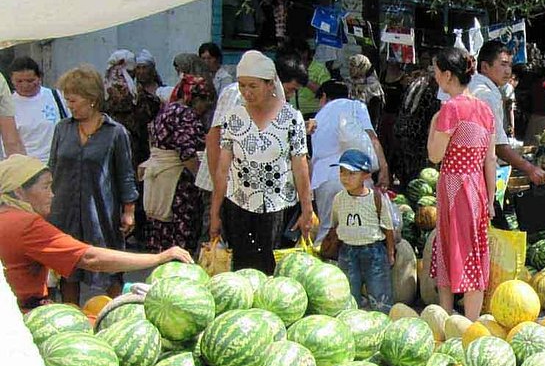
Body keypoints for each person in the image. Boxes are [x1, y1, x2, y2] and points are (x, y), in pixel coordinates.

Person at [0, 155, 191, 309]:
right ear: (18, 192)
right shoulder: (25, 224)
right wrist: (158, 258)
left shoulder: (7, 216)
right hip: (22, 314)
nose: (53, 194)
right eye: (45, 187)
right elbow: (90, 258)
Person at [209, 51, 312, 274]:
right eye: (242, 85)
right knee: (243, 271)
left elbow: (300, 166)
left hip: (279, 209)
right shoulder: (234, 118)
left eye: (253, 86)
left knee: (274, 271)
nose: (246, 92)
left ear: (269, 84)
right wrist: (214, 212)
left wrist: (307, 209)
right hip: (238, 207)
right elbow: (222, 170)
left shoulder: (291, 118)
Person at [47, 65, 139, 305]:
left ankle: (116, 312)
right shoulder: (62, 129)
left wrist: (129, 211)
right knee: (68, 269)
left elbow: (125, 174)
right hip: (64, 211)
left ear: (92, 99)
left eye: (74, 100)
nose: (70, 106)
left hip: (101, 212)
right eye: (68, 101)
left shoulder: (115, 133)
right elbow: (52, 168)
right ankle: (71, 316)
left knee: (108, 266)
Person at [427, 46, 496, 321]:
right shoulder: (485, 109)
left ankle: (445, 320)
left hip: (453, 186)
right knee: (474, 253)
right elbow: (490, 160)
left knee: (447, 246)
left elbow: (434, 155)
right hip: (477, 189)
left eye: (435, 72)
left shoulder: (450, 110)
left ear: (446, 75)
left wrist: (434, 122)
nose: (434, 77)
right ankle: (471, 324)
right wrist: (490, 200)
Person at [142, 75, 215, 254]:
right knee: (180, 234)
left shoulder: (167, 109)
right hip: (177, 185)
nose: (206, 109)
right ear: (196, 98)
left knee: (161, 232)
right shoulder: (185, 115)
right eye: (206, 102)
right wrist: (203, 182)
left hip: (159, 179)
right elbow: (187, 153)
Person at [310, 80, 389, 244]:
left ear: (324, 97)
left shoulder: (319, 116)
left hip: (325, 180)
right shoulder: (356, 106)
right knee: (362, 231)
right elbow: (371, 138)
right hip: (356, 177)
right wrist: (384, 168)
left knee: (327, 231)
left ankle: (323, 267)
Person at [470, 40, 545, 187]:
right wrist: (530, 169)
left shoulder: (471, 85)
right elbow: (499, 146)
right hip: (477, 175)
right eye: (503, 64)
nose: (508, 71)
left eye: (510, 66)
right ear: (485, 67)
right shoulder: (487, 96)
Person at [328, 148, 395, 310]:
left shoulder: (376, 198)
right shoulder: (338, 199)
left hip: (373, 251)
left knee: (379, 294)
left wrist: (390, 253)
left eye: (352, 173)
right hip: (348, 251)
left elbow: (388, 229)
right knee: (349, 294)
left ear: (365, 175)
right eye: (342, 172)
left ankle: (381, 321)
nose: (345, 178)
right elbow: (335, 224)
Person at [6, 57, 68, 162]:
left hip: (59, 163)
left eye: (30, 80)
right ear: (11, 80)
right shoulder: (7, 106)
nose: (25, 85)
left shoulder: (57, 97)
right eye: (19, 81)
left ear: (39, 78)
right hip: (25, 166)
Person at [346, 54, 385, 130]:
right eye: (350, 65)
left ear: (362, 67)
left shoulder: (373, 85)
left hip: (365, 124)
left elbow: (375, 112)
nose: (350, 68)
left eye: (353, 66)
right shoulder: (348, 82)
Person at [294, 41, 329, 119]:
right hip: (294, 112)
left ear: (305, 53)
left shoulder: (320, 69)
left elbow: (325, 92)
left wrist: (306, 81)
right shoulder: (292, 67)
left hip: (313, 113)